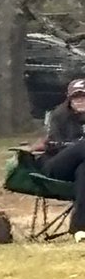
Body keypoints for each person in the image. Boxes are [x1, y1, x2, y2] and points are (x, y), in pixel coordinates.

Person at [38, 78, 85, 240]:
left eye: (83, 97)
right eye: (76, 97)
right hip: (56, 165)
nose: (80, 101)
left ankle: (80, 229)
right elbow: (53, 144)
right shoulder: (59, 116)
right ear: (69, 99)